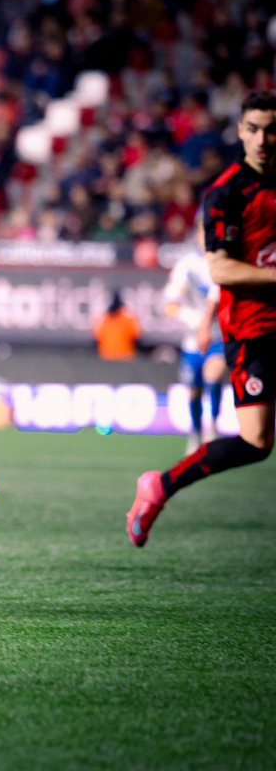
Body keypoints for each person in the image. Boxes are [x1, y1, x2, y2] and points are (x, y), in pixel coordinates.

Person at [128, 90, 276, 547]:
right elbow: (221, 269)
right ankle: (159, 487)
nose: (262, 139)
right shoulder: (227, 192)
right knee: (255, 442)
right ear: (240, 131)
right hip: (253, 328)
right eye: (253, 129)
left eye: (271, 130)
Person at [162, 219, 225, 454]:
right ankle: (195, 432)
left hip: (219, 337)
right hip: (192, 340)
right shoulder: (187, 265)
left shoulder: (225, 262)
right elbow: (169, 304)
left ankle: (213, 427)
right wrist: (193, 319)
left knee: (214, 375)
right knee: (194, 390)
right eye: (203, 232)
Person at [93, 289, 142, 361]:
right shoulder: (129, 318)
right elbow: (137, 338)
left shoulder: (103, 318)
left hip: (108, 356)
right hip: (124, 356)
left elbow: (96, 338)